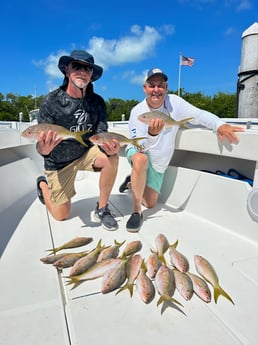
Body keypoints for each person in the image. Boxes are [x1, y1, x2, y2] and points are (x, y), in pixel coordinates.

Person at [119, 67, 244, 232]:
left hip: (159, 161)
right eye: (151, 85)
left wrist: (219, 124)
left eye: (160, 85)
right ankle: (136, 212)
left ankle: (132, 181)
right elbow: (139, 146)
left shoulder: (175, 102)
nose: (156, 90)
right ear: (145, 88)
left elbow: (198, 115)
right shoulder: (138, 112)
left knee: (150, 203)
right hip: (141, 151)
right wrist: (152, 133)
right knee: (140, 160)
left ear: (166, 88)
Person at [36, 50, 120, 231]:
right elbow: (42, 146)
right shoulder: (50, 101)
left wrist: (109, 147)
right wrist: (44, 149)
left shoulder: (97, 102)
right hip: (58, 163)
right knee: (61, 215)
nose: (82, 71)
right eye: (77, 66)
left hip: (86, 154)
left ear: (91, 75)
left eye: (87, 68)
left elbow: (101, 132)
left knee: (112, 157)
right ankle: (43, 185)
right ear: (67, 71)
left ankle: (103, 208)